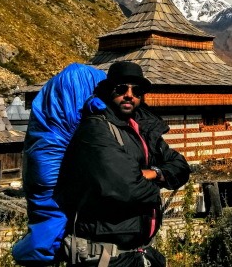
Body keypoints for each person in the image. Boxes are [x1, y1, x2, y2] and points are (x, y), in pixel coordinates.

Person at [54, 61, 191, 267]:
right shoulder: (95, 130)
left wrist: (152, 172)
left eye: (137, 90)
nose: (129, 95)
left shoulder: (143, 130)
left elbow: (181, 167)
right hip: (103, 257)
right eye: (121, 89)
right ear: (109, 91)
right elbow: (128, 188)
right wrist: (159, 181)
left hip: (138, 254)